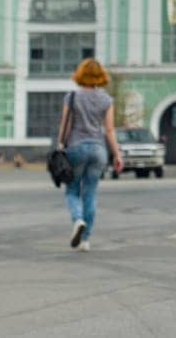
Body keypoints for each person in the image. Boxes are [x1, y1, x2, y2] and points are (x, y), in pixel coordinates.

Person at [56, 58, 122, 250]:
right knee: (90, 193)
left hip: (76, 148)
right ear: (100, 76)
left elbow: (66, 125)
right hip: (98, 150)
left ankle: (77, 220)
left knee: (72, 190)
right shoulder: (106, 100)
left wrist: (61, 144)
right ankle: (85, 240)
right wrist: (117, 154)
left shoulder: (72, 97)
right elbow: (109, 130)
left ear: (80, 75)